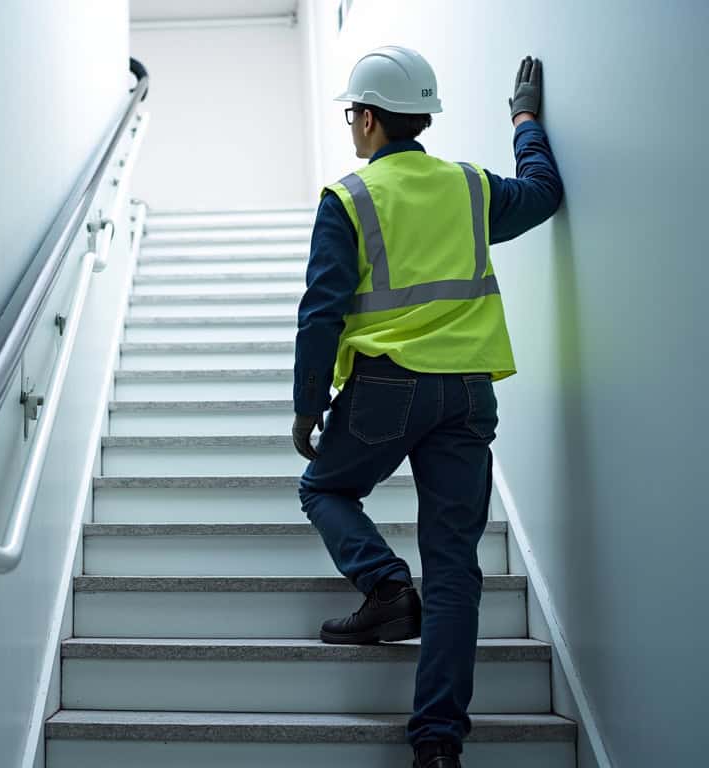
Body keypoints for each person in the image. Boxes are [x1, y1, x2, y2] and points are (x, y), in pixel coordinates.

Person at [290, 47, 563, 768]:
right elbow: (541, 192)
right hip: (469, 395)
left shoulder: (348, 199)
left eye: (354, 114)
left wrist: (307, 406)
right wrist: (526, 121)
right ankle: (437, 746)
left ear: (372, 118)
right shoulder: (471, 188)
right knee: (453, 571)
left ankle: (383, 586)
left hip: (387, 388)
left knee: (323, 487)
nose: (353, 127)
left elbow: (320, 313)